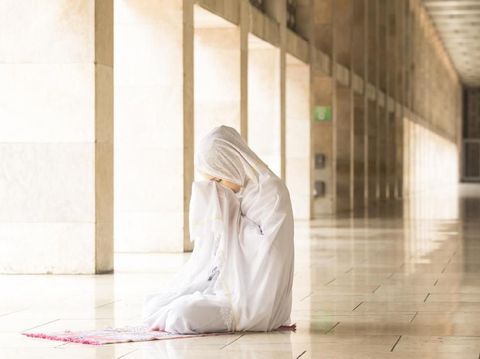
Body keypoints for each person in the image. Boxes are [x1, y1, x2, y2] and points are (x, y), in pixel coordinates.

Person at [143, 125, 294, 334]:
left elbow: (270, 253)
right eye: (211, 180)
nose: (216, 186)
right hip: (226, 284)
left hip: (254, 299)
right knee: (155, 305)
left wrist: (230, 216)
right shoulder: (235, 191)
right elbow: (216, 255)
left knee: (180, 315)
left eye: (218, 179)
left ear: (232, 162)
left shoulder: (270, 192)